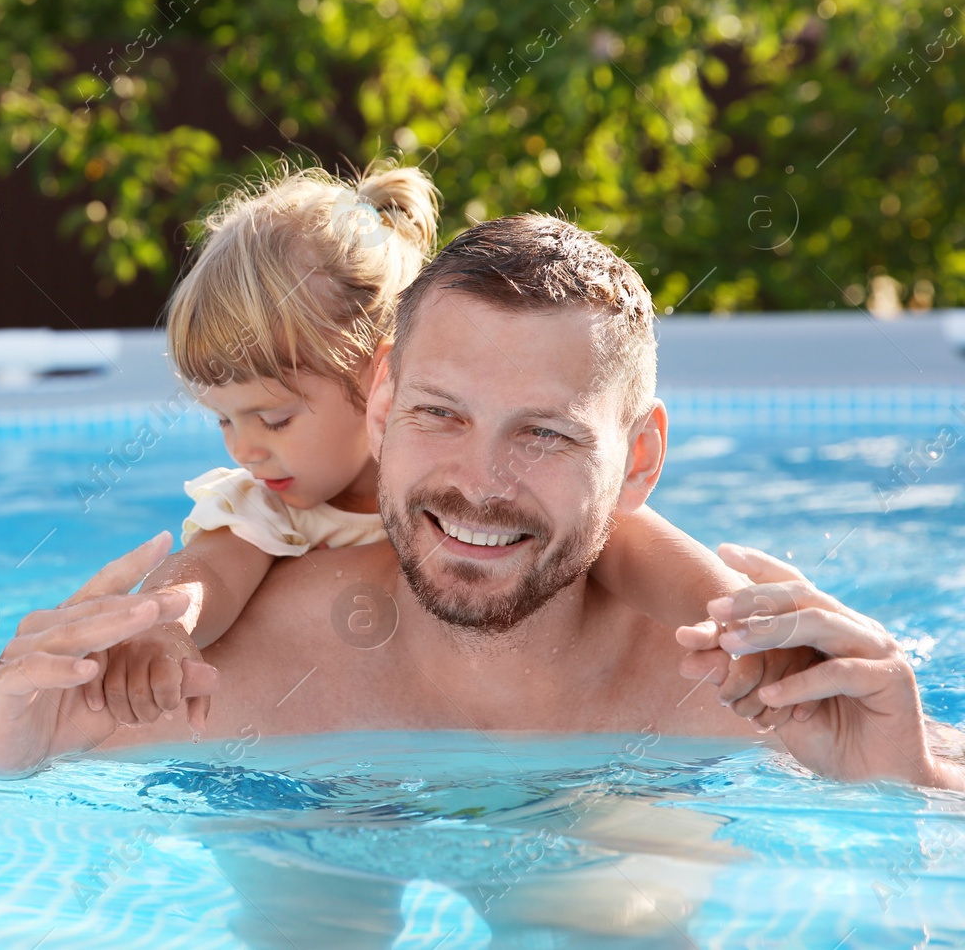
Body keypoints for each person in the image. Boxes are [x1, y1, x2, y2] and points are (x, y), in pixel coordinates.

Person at [0, 213, 965, 793]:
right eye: (438, 414)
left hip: (622, 803)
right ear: (378, 404)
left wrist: (908, 788)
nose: (481, 480)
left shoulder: (751, 693)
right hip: (301, 810)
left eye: (544, 432)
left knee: (609, 903)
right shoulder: (218, 681)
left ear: (639, 458)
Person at [91, 161, 782, 736]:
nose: (245, 449)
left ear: (379, 380)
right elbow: (206, 569)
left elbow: (629, 542)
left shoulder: (521, 498)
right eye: (224, 423)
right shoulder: (275, 511)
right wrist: (159, 629)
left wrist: (741, 620)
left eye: (272, 418)